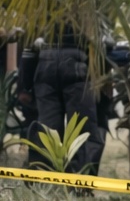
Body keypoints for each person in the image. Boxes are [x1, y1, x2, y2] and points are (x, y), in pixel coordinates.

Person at [31, 24, 105, 174]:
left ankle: (46, 177)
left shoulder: (40, 14)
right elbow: (105, 42)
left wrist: (24, 85)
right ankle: (82, 178)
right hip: (76, 63)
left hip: (46, 62)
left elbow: (28, 46)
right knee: (83, 130)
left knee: (48, 129)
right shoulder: (88, 14)